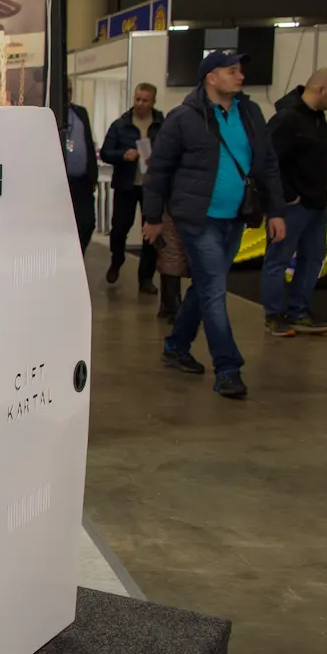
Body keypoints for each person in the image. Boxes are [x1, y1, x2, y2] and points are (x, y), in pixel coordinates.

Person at [142, 50, 286, 399]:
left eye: (240, 70)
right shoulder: (183, 118)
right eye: (232, 71)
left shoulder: (251, 113)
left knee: (207, 287)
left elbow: (267, 164)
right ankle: (227, 368)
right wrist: (153, 217)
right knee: (214, 289)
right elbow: (158, 170)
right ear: (211, 77)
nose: (240, 76)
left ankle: (176, 346)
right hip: (198, 219)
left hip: (236, 217)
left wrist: (276, 211)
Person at [261, 68, 327, 337]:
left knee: (313, 257)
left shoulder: (318, 120)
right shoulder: (288, 118)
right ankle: (274, 314)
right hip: (292, 206)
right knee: (278, 259)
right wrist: (285, 196)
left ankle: (299, 312)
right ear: (320, 89)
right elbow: (267, 161)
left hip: (316, 205)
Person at [100, 83, 164, 293]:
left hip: (152, 188)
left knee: (150, 234)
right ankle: (116, 260)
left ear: (153, 102)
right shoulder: (120, 125)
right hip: (126, 185)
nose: (140, 103)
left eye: (145, 100)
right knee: (119, 229)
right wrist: (123, 155)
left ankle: (145, 278)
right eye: (137, 99)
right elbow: (105, 152)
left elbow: (171, 151)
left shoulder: (162, 125)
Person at [63, 87, 99, 252]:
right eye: (65, 89)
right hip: (60, 183)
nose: (68, 93)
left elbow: (88, 143)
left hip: (82, 181)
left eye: (70, 89)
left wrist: (93, 175)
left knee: (87, 223)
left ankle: (78, 254)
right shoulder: (49, 112)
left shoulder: (81, 113)